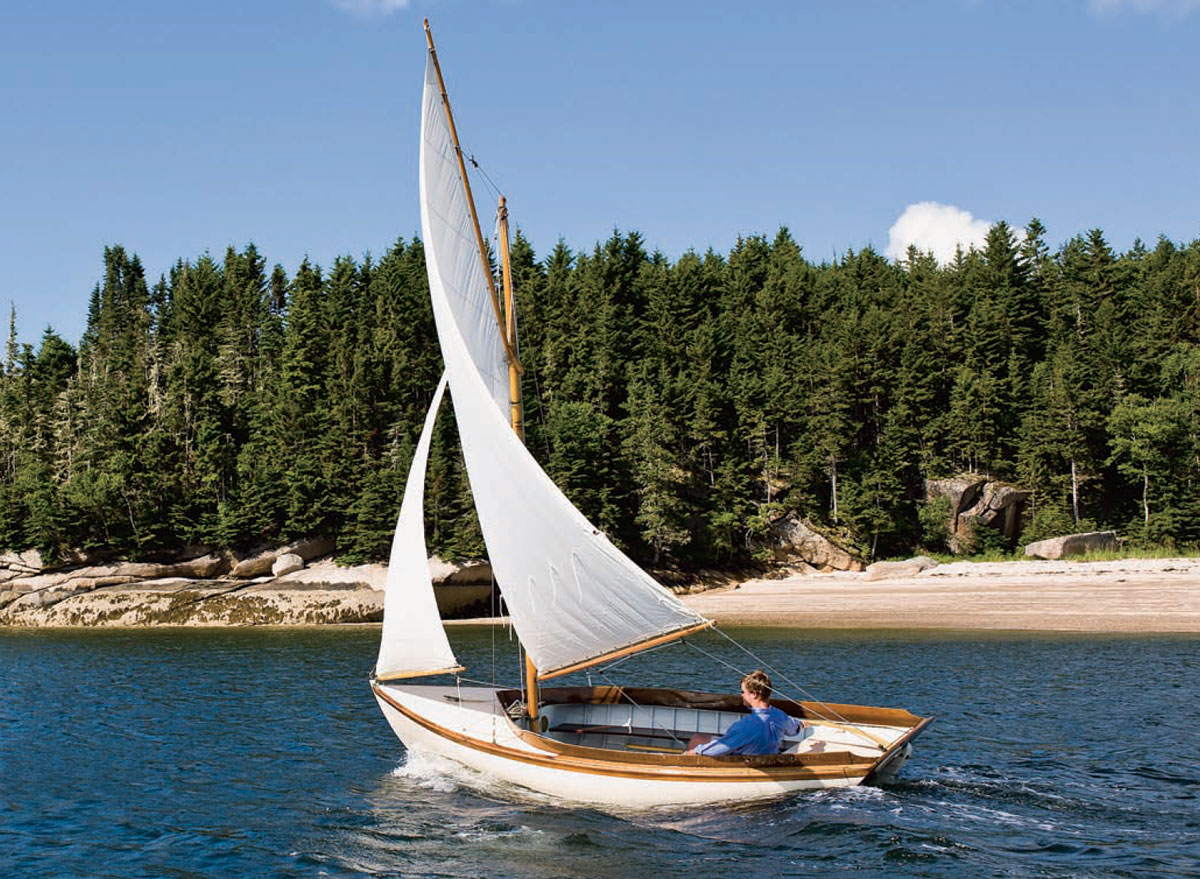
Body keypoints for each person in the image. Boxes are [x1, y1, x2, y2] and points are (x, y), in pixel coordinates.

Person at [685, 670, 804, 756]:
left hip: (743, 763)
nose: (741, 695)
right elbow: (795, 728)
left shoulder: (747, 725)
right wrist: (802, 724)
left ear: (754, 694)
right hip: (768, 757)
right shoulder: (779, 715)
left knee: (697, 741)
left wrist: (693, 752)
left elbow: (718, 749)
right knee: (699, 738)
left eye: (743, 692)